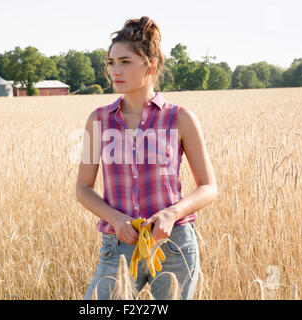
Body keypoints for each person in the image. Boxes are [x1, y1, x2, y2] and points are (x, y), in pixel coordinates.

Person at [75, 16, 218, 300]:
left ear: (150, 66)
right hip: (118, 245)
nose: (115, 70)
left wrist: (172, 213)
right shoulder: (99, 120)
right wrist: (116, 220)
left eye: (125, 62)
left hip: (173, 245)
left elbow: (208, 187)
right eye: (111, 62)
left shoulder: (181, 118)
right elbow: (83, 189)